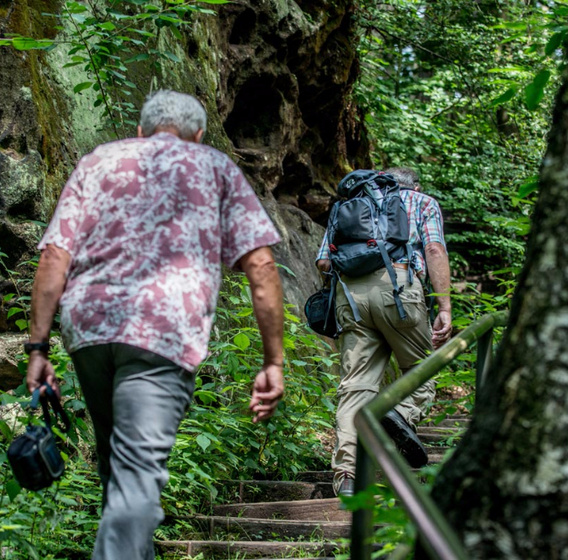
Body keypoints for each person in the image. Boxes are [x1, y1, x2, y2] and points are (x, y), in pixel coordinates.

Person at [24, 90, 285, 559]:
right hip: (163, 333)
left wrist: (38, 348)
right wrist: (273, 360)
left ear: (141, 130)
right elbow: (261, 266)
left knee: (120, 473)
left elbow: (54, 256)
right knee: (136, 476)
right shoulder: (216, 167)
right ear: (200, 135)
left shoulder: (99, 161)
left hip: (89, 329)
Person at [315, 166, 452, 496]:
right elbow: (434, 249)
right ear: (414, 185)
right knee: (422, 370)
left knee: (356, 385)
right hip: (399, 289)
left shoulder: (352, 203)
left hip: (351, 297)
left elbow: (323, 262)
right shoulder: (421, 202)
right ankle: (396, 415)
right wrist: (444, 307)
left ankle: (346, 476)